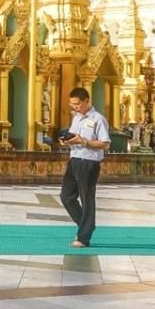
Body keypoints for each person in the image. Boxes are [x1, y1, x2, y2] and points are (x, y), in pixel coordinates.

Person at [59, 87, 111, 248]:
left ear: (87, 101)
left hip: (89, 162)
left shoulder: (98, 119)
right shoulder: (76, 118)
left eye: (77, 104)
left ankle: (83, 237)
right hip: (74, 159)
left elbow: (105, 143)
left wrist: (84, 142)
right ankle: (87, 224)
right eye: (72, 104)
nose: (75, 107)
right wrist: (67, 140)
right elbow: (74, 136)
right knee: (66, 196)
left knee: (86, 198)